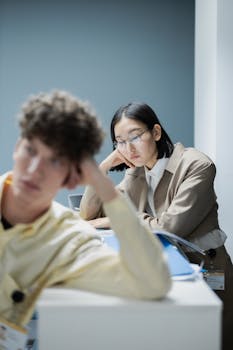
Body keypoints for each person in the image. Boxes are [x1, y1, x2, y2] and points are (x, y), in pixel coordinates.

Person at [0, 92, 171, 334]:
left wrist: (104, 186)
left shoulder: (70, 238)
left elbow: (152, 283)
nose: (35, 170)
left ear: (72, 177)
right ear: (18, 147)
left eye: (55, 161)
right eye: (31, 150)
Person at [80, 101, 233, 350]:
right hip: (169, 267)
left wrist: (120, 218)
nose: (127, 148)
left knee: (212, 341)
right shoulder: (138, 172)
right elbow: (89, 215)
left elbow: (170, 228)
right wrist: (103, 168)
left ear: (156, 133)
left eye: (135, 136)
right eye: (119, 141)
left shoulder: (197, 165)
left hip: (206, 267)